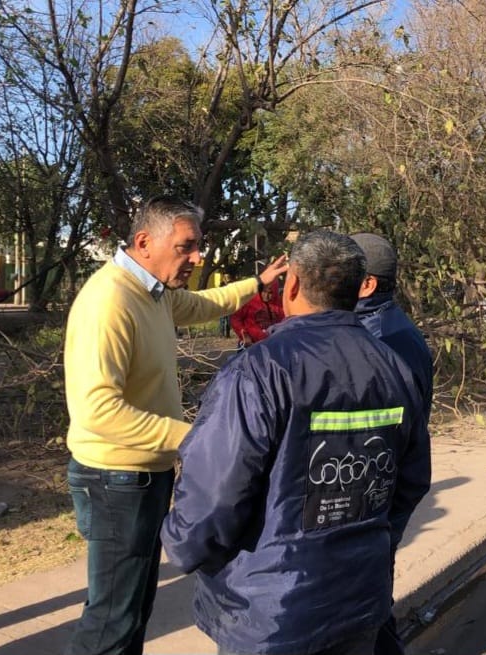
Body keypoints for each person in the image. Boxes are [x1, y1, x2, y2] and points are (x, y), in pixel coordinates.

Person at [160, 230, 431, 655]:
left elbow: (214, 494)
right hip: (357, 602)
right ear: (354, 289)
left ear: (292, 286)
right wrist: (371, 544)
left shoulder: (260, 370)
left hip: (271, 615)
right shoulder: (394, 367)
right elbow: (410, 480)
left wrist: (181, 543)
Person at [63, 195, 288, 655]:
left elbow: (205, 304)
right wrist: (196, 439)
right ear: (144, 241)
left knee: (132, 608)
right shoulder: (109, 301)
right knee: (111, 619)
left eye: (197, 246)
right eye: (187, 247)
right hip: (115, 481)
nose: (197, 258)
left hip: (142, 476)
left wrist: (257, 283)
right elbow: (96, 409)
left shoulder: (154, 293)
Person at [349, 232, 433, 655]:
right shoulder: (378, 328)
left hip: (373, 502)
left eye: (341, 273)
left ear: (366, 285)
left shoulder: (386, 342)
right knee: (369, 611)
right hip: (370, 498)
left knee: (366, 612)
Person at [229, 278, 285, 347]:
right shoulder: (249, 301)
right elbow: (235, 319)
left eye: (270, 293)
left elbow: (284, 323)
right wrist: (243, 334)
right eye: (264, 292)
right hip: (250, 344)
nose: (266, 296)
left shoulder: (279, 306)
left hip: (270, 345)